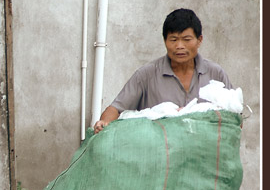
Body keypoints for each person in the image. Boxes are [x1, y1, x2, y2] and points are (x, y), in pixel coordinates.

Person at [93, 8, 232, 134]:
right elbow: (116, 108)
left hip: (204, 157)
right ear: (165, 41)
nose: (179, 46)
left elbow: (234, 117)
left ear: (199, 40)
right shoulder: (147, 75)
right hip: (159, 157)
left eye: (186, 39)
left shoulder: (215, 73)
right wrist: (104, 123)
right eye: (173, 40)